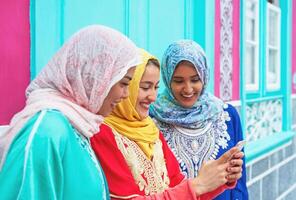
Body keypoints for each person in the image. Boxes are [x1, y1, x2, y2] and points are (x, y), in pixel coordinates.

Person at [0, 25, 141, 200]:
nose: (126, 94)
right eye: (123, 83)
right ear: (96, 76)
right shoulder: (47, 131)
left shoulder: (78, 126)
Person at [91, 49, 244, 199]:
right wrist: (199, 184)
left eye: (156, 87)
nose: (152, 97)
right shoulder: (102, 133)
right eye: (145, 87)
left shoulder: (150, 130)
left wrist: (219, 177)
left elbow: (178, 185)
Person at [149, 40, 248, 199]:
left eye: (195, 80)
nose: (188, 89)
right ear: (168, 79)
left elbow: (240, 181)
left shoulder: (227, 116)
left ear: (204, 76)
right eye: (179, 81)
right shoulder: (152, 117)